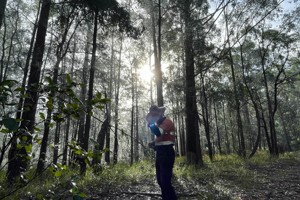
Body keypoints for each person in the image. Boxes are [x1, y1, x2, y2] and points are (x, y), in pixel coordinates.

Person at [146, 105, 177, 200]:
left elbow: (159, 133)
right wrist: (153, 143)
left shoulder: (167, 122)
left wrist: (151, 123)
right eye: (152, 115)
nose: (153, 117)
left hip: (167, 153)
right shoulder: (159, 124)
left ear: (160, 114)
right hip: (160, 153)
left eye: (155, 115)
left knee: (165, 182)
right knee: (160, 181)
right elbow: (160, 138)